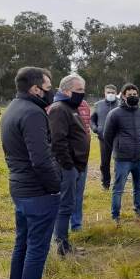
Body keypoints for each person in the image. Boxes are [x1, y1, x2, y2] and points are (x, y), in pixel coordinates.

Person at [0, 66, 64, 279]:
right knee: (36, 249)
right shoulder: (34, 114)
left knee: (23, 244)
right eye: (49, 88)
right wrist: (55, 186)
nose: (52, 93)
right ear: (36, 89)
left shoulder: (12, 109)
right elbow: (41, 159)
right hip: (38, 192)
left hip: (20, 189)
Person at [47, 74, 90, 256]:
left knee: (69, 204)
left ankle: (63, 243)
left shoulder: (71, 107)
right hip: (68, 167)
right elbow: (58, 142)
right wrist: (69, 167)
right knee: (65, 206)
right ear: (66, 90)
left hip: (76, 166)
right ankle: (61, 246)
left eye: (83, 90)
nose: (82, 94)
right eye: (79, 90)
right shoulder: (59, 109)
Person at [103, 83, 140, 224]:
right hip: (123, 158)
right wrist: (118, 148)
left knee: (139, 187)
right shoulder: (115, 114)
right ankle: (115, 215)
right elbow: (107, 136)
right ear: (123, 96)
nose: (132, 97)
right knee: (118, 188)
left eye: (135, 95)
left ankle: (139, 212)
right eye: (129, 95)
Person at [91, 85, 119, 190]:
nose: (110, 94)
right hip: (103, 139)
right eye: (108, 92)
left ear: (116, 93)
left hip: (118, 138)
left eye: (112, 92)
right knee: (104, 163)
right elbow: (92, 119)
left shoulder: (121, 104)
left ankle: (118, 184)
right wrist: (95, 128)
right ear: (104, 93)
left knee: (118, 162)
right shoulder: (98, 105)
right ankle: (105, 184)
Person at [70, 96, 91, 231]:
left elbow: (87, 130)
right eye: (77, 90)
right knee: (65, 193)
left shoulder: (85, 105)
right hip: (66, 157)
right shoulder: (57, 106)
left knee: (79, 192)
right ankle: (61, 226)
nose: (80, 93)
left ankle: (76, 224)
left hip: (83, 156)